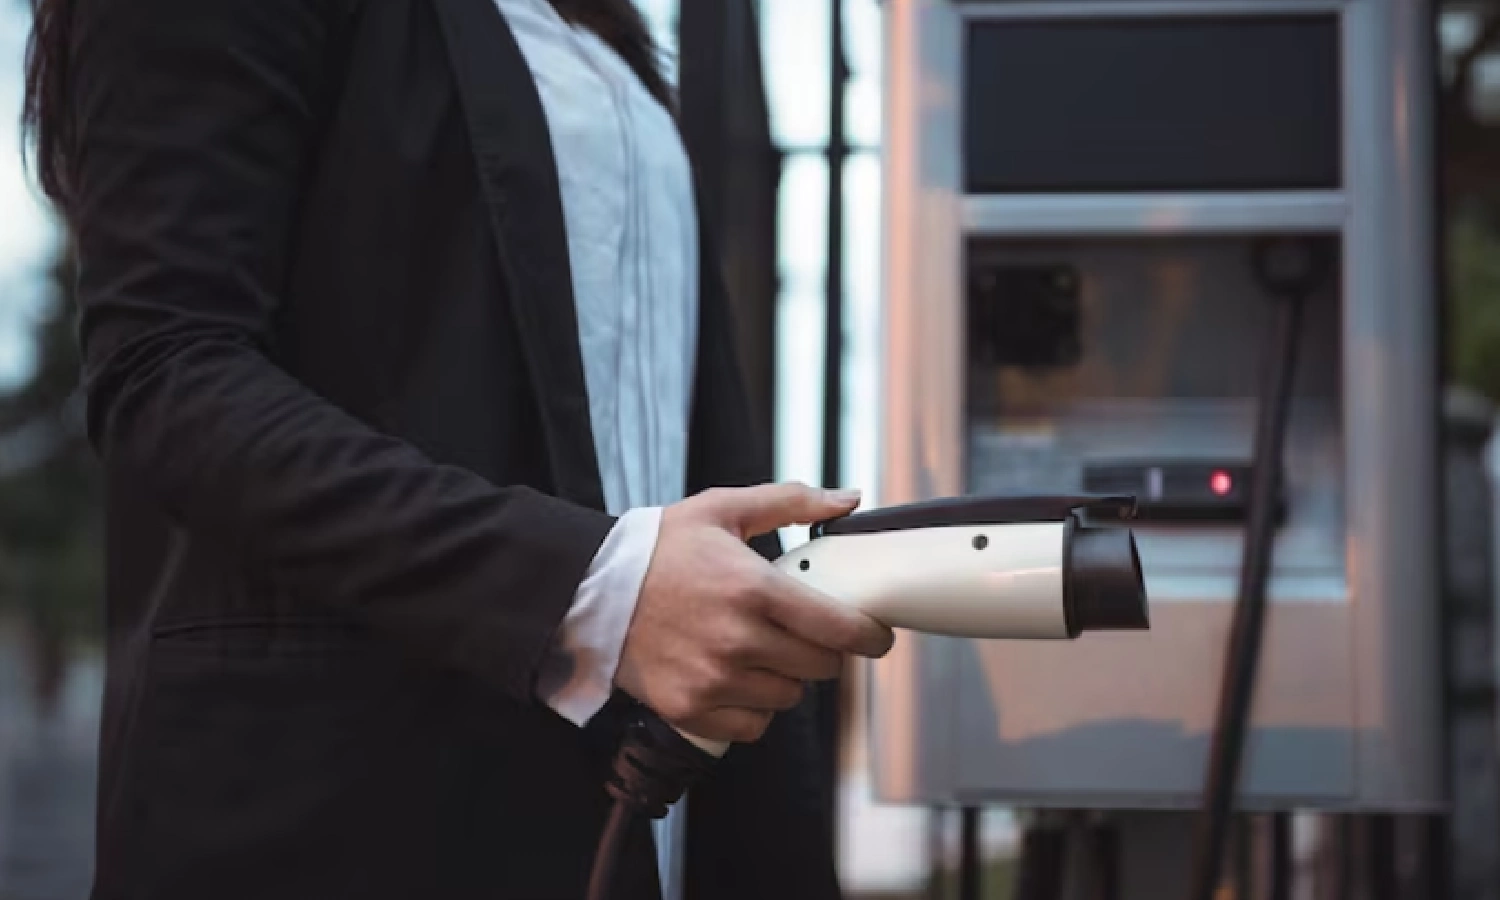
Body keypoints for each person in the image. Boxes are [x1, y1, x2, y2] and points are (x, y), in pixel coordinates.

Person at [21, 0, 895, 897]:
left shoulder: (593, 27)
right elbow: (166, 375)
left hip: (642, 825)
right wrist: (593, 591)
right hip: (356, 819)